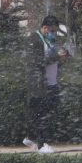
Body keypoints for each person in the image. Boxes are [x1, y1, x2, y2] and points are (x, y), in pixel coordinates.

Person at [24, 15, 68, 153]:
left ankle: (31, 137)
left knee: (50, 113)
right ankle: (41, 145)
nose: (54, 34)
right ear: (44, 28)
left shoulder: (51, 40)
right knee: (42, 114)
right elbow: (37, 61)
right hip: (39, 84)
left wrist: (64, 56)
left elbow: (54, 59)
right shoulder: (34, 39)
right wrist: (56, 57)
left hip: (52, 82)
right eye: (52, 30)